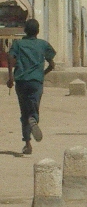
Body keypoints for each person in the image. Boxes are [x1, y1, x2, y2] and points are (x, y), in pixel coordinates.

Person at [6, 19, 56, 155]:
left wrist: (10, 77)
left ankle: (27, 144)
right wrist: (42, 73)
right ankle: (34, 119)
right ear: (38, 31)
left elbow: (10, 58)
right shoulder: (43, 45)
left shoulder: (18, 44)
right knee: (33, 107)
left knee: (24, 111)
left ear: (25, 30)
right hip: (36, 81)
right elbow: (52, 64)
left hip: (21, 81)